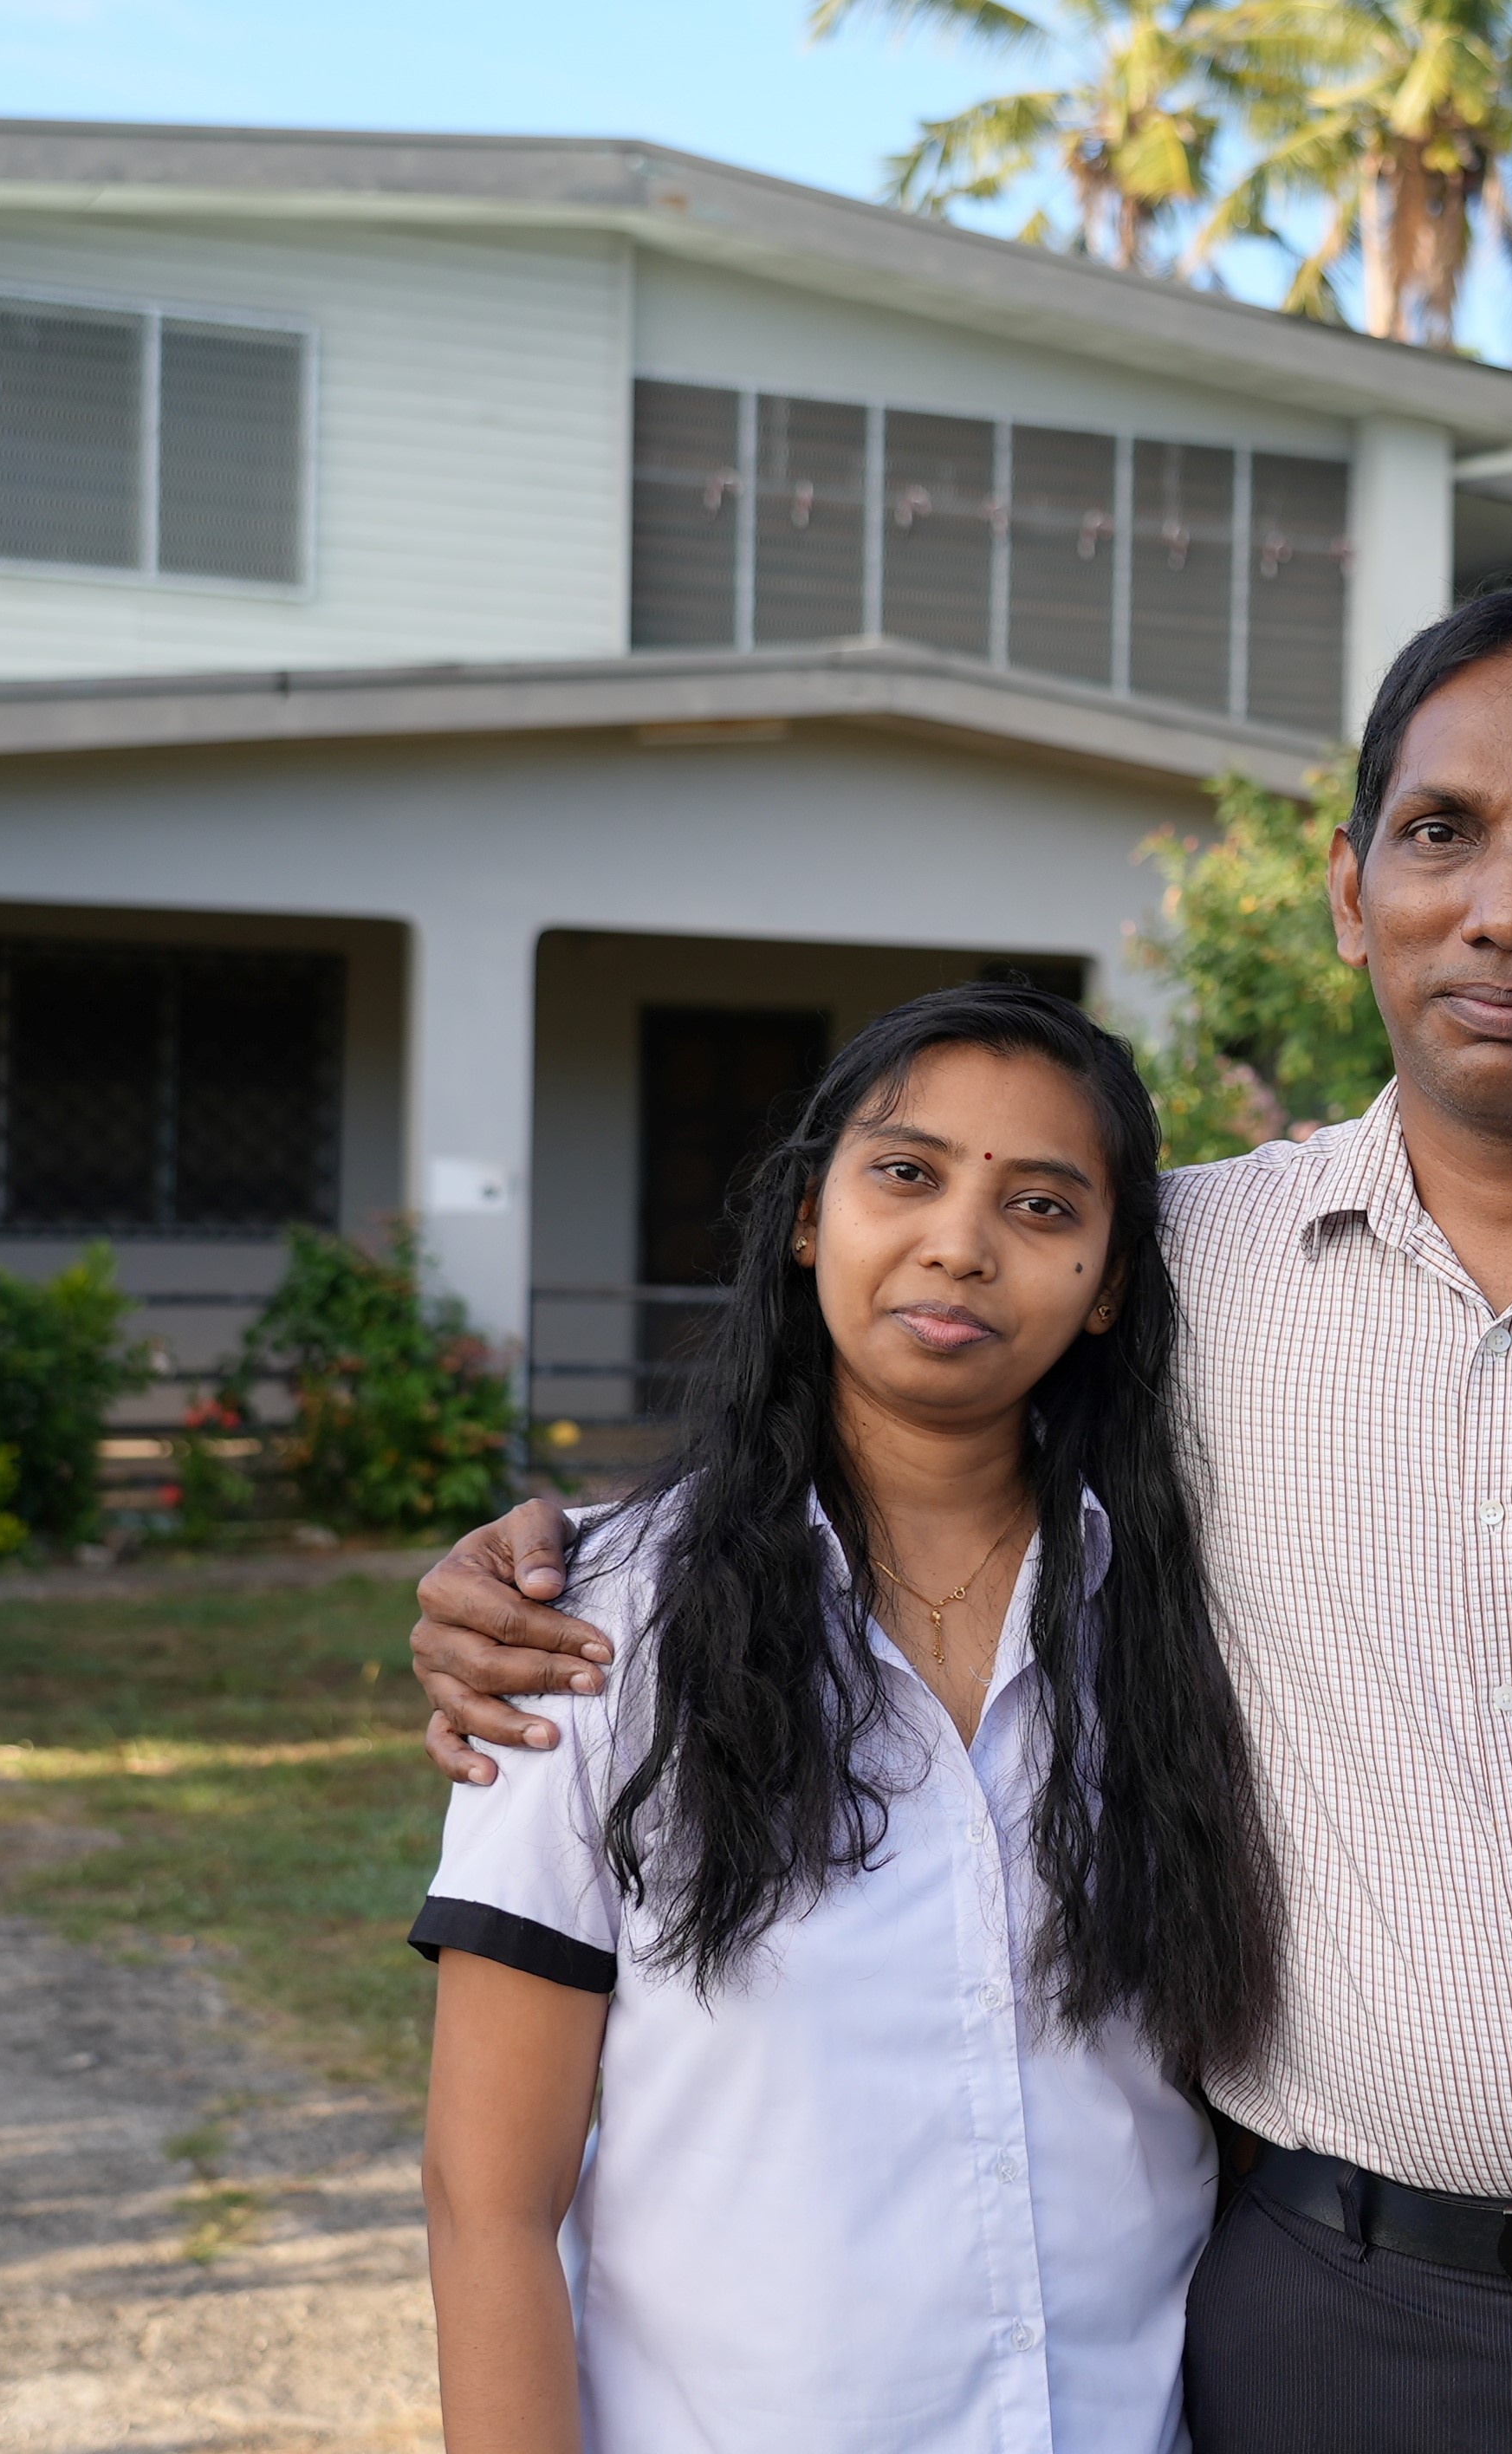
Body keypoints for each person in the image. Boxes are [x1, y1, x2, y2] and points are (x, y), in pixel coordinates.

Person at [415, 588, 1512, 2453]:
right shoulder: (1182, 1273)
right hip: (1341, 2335)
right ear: (1350, 891)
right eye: (1441, 832)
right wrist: (549, 1571)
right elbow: (894, 1415)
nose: (1507, 908)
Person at [411, 983, 1278, 2454]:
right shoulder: (594, 1624)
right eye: (907, 1173)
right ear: (810, 1216)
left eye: (1043, 1207)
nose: (961, 1243)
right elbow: (488, 2198)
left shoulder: (1195, 1620)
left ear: (1110, 1284)